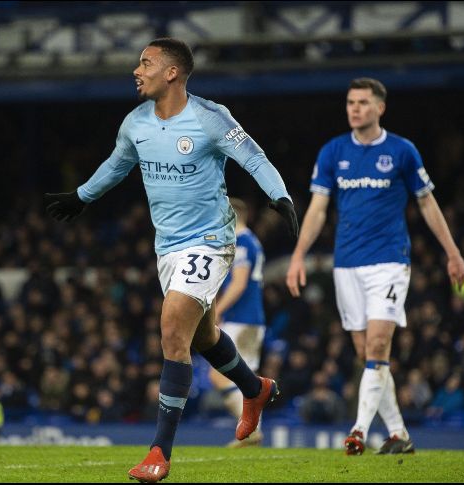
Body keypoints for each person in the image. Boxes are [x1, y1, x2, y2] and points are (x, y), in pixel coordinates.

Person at [44, 37, 298, 482]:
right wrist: (81, 197)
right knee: (203, 338)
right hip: (168, 247)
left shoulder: (210, 117)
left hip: (211, 240)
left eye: (145, 63)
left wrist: (280, 196)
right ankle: (255, 390)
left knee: (171, 329)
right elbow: (116, 165)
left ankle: (159, 452)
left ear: (172, 73)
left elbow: (253, 158)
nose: (136, 71)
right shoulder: (135, 123)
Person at [285, 77, 464, 455]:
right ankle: (399, 434)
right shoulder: (333, 152)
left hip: (389, 262)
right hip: (346, 263)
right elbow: (318, 209)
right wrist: (299, 254)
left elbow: (427, 203)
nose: (355, 108)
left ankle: (358, 431)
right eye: (351, 102)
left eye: (363, 102)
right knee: (368, 356)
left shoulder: (402, 151)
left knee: (379, 344)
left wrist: (452, 252)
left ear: (380, 108)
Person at [207, 197, 267, 447]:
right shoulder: (251, 241)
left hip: (241, 319)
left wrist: (218, 309)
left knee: (218, 375)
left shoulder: (242, 243)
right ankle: (253, 430)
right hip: (252, 319)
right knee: (245, 378)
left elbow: (240, 282)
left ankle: (251, 429)